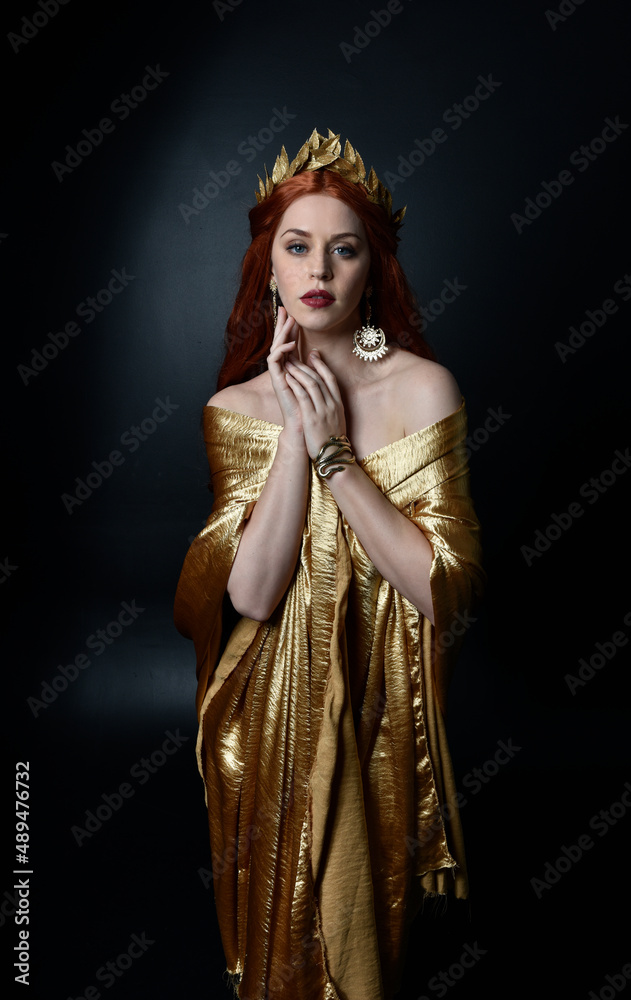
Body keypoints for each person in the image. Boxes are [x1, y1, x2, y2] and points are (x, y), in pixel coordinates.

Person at [174, 129, 485, 1000]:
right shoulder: (236, 405)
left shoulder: (422, 387)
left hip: (382, 706)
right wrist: (294, 442)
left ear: (370, 270)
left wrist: (336, 454)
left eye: (344, 250)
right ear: (268, 268)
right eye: (297, 246)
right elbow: (252, 593)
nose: (320, 269)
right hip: (272, 710)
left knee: (368, 930)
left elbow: (441, 587)